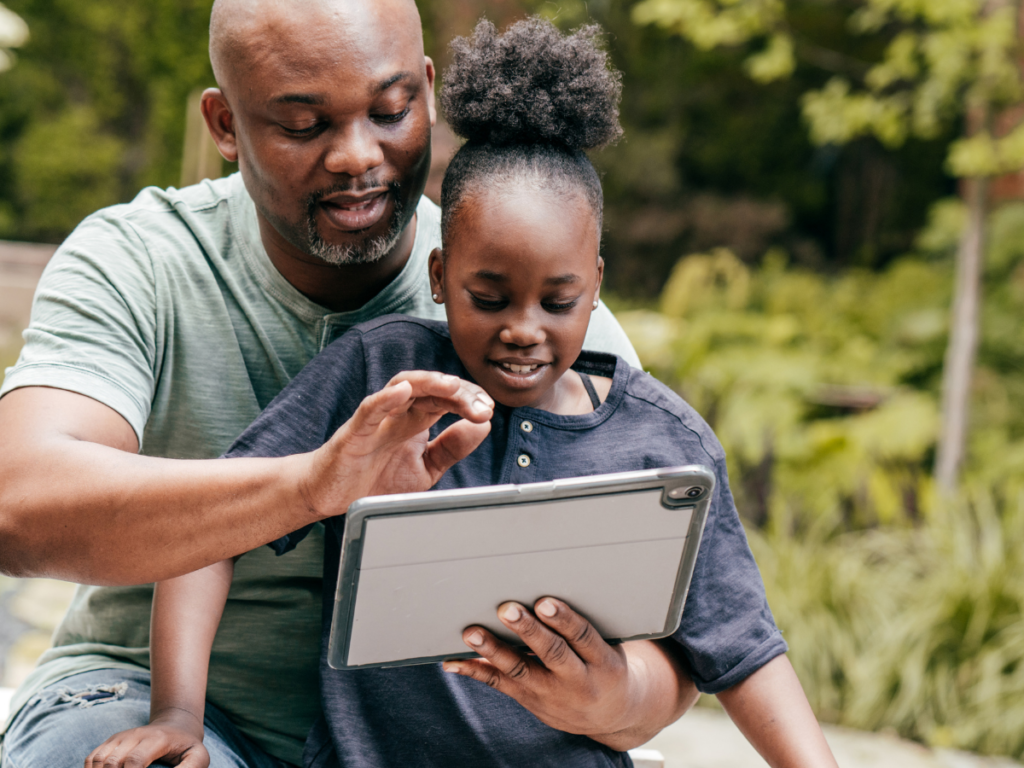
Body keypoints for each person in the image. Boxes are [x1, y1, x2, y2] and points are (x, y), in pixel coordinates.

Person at [86, 18, 839, 768]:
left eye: (557, 301)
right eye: (489, 295)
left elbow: (742, 649)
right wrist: (178, 715)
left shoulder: (662, 443)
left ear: (597, 288)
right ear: (440, 277)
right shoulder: (384, 379)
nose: (522, 329)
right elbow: (210, 530)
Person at [0, 2, 644, 768]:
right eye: (305, 125)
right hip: (148, 699)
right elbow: (19, 502)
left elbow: (681, 638)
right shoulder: (141, 260)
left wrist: (618, 701)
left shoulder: (532, 303)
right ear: (224, 124)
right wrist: (310, 487)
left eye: (391, 109)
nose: (355, 155)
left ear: (429, 93)